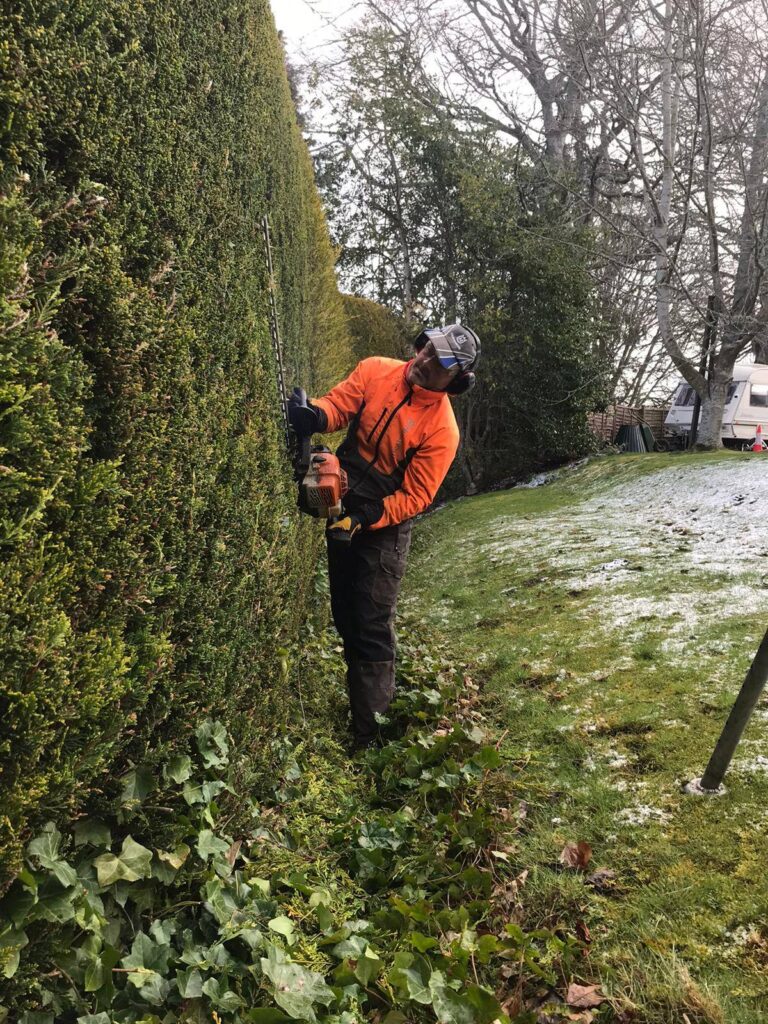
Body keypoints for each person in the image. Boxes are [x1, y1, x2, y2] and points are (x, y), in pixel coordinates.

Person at [288, 324, 481, 749]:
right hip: (347, 487)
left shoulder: (442, 431)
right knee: (343, 611)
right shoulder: (377, 370)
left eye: (441, 365)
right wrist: (314, 416)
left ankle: (371, 737)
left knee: (371, 622)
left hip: (386, 521)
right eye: (428, 350)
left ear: (456, 381)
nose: (426, 363)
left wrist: (363, 520)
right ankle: (359, 701)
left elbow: (415, 495)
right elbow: (340, 405)